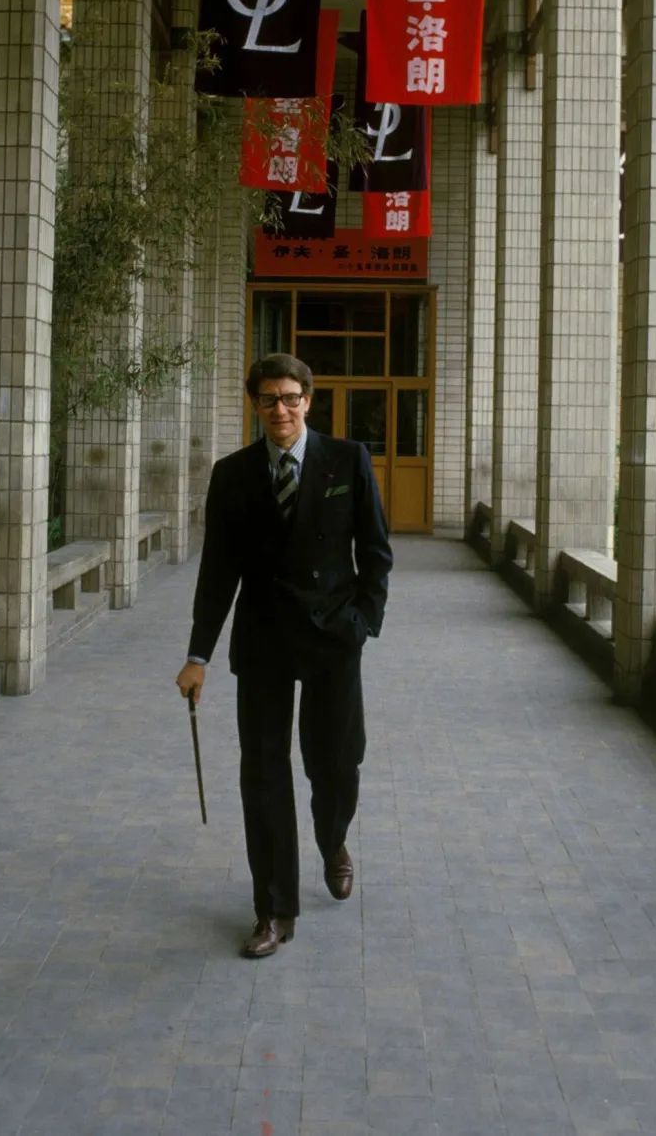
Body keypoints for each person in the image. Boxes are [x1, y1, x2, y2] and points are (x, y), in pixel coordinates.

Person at [175, 353, 393, 959]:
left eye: (291, 397)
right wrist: (198, 655)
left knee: (336, 763)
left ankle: (332, 839)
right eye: (269, 398)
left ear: (308, 401)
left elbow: (376, 552)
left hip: (332, 639)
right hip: (264, 639)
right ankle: (273, 909)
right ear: (255, 405)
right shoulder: (233, 474)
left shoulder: (348, 460)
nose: (281, 409)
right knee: (264, 772)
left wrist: (362, 623)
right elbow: (217, 571)